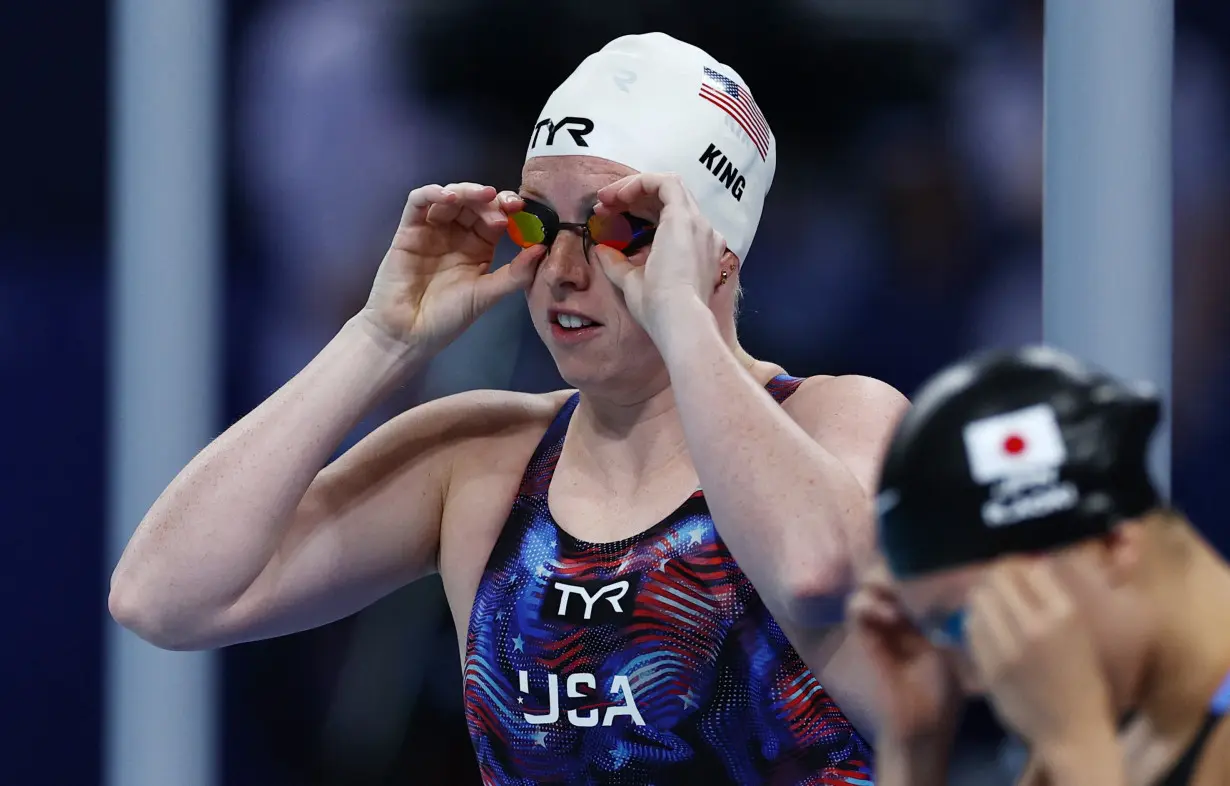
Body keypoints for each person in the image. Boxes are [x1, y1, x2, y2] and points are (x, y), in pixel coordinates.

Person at [109, 32, 907, 784]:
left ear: (717, 252)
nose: (561, 268)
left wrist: (685, 321)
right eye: (538, 221)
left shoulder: (839, 422)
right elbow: (163, 595)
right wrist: (380, 339)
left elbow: (814, 575)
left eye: (616, 227)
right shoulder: (485, 461)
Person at [846, 345, 1230, 786]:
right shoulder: (1130, 724)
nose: (976, 681)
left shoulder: (1087, 738)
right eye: (938, 628)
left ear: (1112, 545)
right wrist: (914, 748)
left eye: (970, 620)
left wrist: (1076, 752)